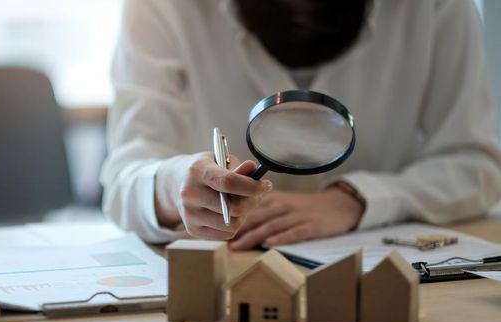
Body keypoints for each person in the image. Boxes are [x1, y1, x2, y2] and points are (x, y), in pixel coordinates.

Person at [100, 0, 501, 249]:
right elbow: (124, 179)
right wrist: (175, 186)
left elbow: (476, 165)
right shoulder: (162, 5)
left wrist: (354, 200)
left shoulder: (436, 6)